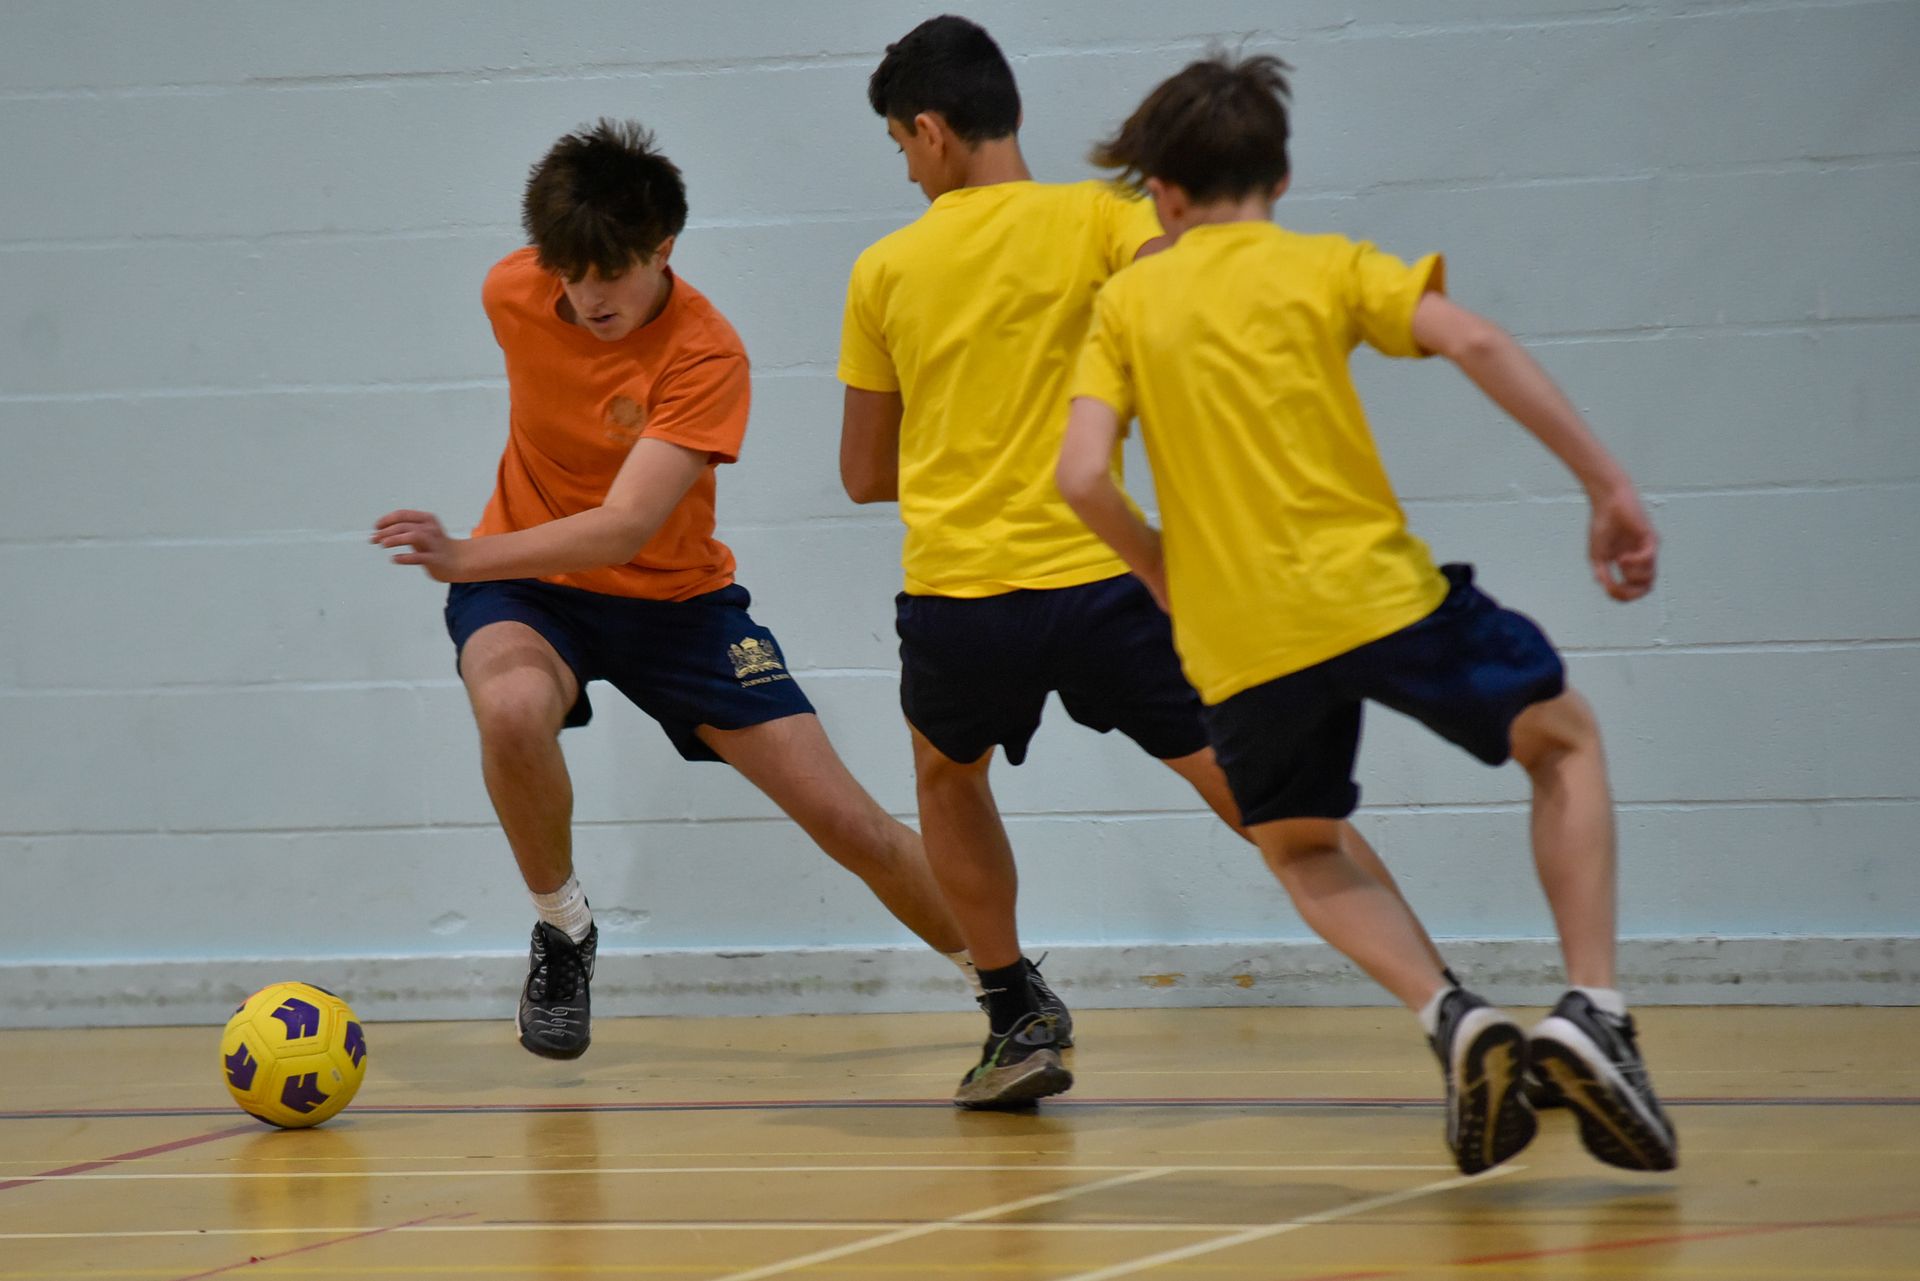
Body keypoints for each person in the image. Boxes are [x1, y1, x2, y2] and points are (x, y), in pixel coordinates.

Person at [1057, 54, 1677, 1174]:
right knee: (1563, 737)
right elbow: (1476, 341)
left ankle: (1451, 1016)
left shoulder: (1128, 301)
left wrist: (1161, 574)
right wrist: (1607, 486)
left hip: (1237, 637)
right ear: (1280, 176)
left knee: (1299, 847)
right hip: (1376, 593)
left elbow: (1083, 478)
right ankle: (1592, 1008)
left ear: (1164, 193)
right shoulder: (1326, 265)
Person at [840, 16, 1455, 1110]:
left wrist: (964, 443)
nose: (902, 166)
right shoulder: (1108, 221)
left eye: (895, 145)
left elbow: (861, 472)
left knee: (948, 777)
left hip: (961, 595)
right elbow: (1200, 297)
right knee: (1275, 796)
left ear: (929, 131)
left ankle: (1012, 1011)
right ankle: (1453, 1011)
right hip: (1112, 579)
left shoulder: (883, 267)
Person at [373, 119, 972, 1062]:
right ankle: (562, 929)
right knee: (512, 707)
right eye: (569, 272)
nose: (587, 295)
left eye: (610, 272)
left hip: (675, 605)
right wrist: (489, 564)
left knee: (847, 818)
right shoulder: (512, 291)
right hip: (532, 589)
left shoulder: (706, 353)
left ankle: (1007, 980)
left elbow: (625, 524)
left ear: (663, 249)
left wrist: (462, 556)